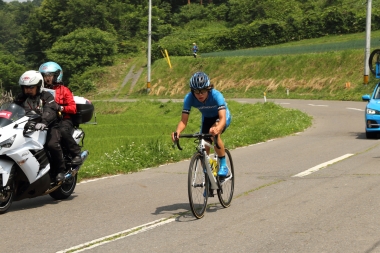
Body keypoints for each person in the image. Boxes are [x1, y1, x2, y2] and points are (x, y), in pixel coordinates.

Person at [171, 71, 231, 177]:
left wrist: (218, 128)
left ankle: (223, 165)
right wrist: (178, 132)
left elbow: (222, 118)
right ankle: (208, 181)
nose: (200, 94)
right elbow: (183, 121)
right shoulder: (189, 98)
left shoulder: (216, 95)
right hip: (207, 118)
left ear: (208, 88)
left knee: (213, 133)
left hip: (221, 117)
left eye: (203, 91)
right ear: (192, 91)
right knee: (203, 146)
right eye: (196, 91)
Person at [14, 70, 67, 182]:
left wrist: (43, 122)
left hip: (49, 126)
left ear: (39, 86)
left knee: (52, 144)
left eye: (31, 87)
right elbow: (12, 109)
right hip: (29, 126)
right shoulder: (21, 98)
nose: (28, 90)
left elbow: (50, 110)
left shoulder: (46, 96)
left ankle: (60, 171)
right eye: (25, 87)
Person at [39, 61, 83, 165]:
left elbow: (73, 108)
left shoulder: (64, 90)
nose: (47, 78)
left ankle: (76, 154)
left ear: (57, 75)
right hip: (47, 119)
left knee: (62, 130)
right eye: (45, 76)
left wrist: (61, 108)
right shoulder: (40, 91)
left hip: (63, 119)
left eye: (50, 75)